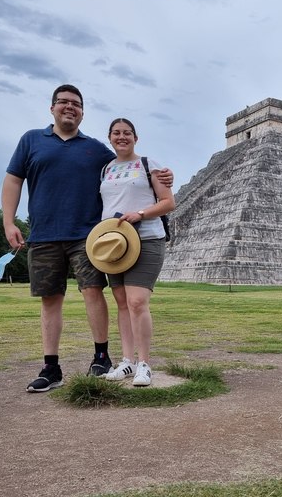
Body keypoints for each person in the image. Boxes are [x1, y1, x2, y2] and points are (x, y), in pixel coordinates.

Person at [1, 85, 173, 392]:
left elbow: (130, 166)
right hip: (44, 234)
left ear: (82, 111)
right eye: (63, 102)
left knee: (95, 293)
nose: (70, 107)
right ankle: (51, 368)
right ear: (52, 108)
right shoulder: (31, 140)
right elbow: (13, 179)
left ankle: (102, 358)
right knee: (50, 299)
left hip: (90, 237)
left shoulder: (97, 151)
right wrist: (8, 221)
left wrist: (166, 177)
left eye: (76, 104)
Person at [98, 118, 175, 386]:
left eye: (127, 133)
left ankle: (144, 364)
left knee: (137, 302)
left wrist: (139, 214)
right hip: (114, 243)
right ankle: (127, 362)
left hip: (146, 238)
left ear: (135, 138)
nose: (122, 137)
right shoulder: (106, 169)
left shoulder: (148, 164)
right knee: (121, 303)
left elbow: (168, 202)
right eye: (117, 133)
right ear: (109, 138)